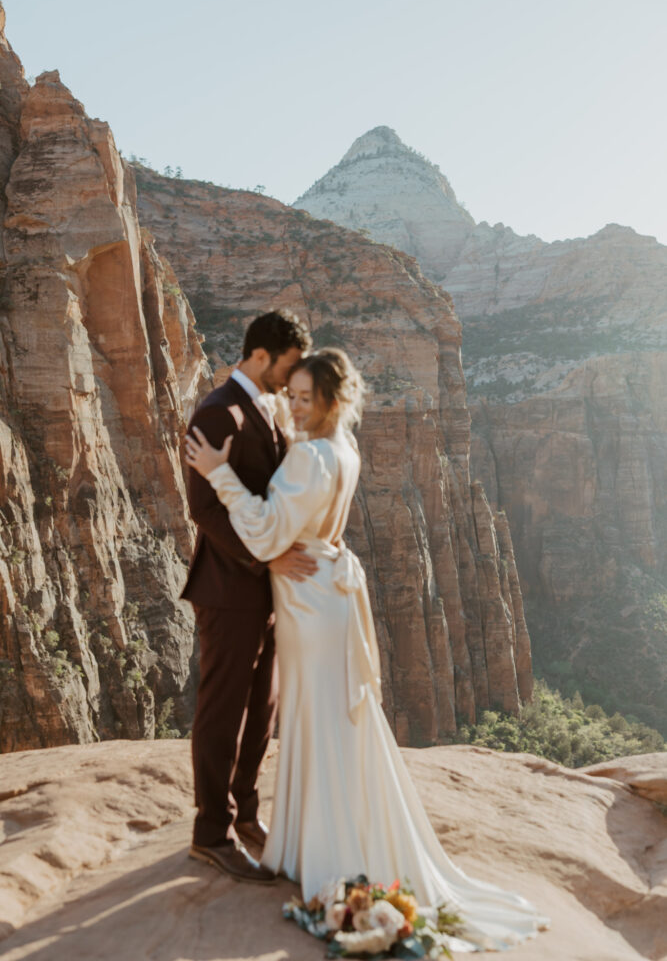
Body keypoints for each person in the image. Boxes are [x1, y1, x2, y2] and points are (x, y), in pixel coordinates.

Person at [185, 347, 549, 951]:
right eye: (290, 396)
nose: (293, 407)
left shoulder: (308, 456)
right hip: (325, 591)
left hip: (307, 601)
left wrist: (217, 471)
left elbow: (266, 531)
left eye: (305, 398)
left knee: (318, 717)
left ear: (331, 401)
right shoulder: (343, 446)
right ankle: (327, 839)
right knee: (330, 716)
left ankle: (326, 853)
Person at [181, 309, 315, 884]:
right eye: (287, 365)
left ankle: (246, 814)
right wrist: (266, 557)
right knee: (223, 710)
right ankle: (211, 832)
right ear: (262, 355)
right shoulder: (217, 411)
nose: (291, 376)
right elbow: (203, 508)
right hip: (229, 589)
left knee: (260, 708)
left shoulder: (264, 406)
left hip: (267, 591)